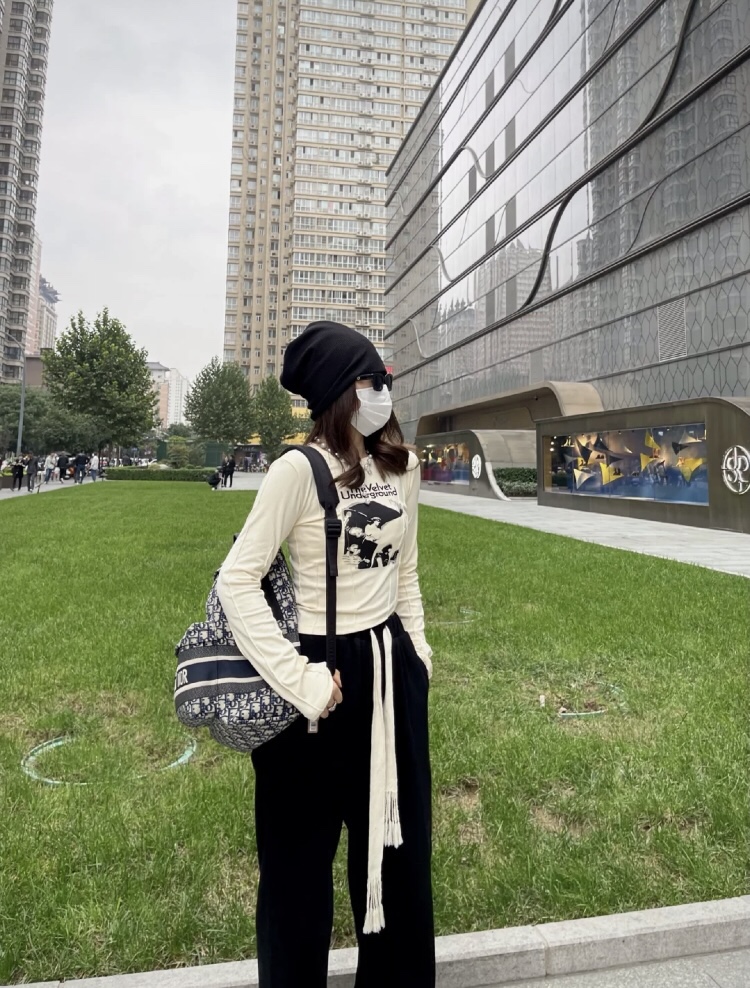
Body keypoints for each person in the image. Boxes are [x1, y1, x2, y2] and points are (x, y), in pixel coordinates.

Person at [217, 321, 434, 988]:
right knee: (296, 872)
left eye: (385, 379)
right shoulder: (297, 470)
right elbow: (237, 580)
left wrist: (419, 651)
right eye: (372, 380)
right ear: (341, 390)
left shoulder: (402, 467)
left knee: (398, 856)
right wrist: (300, 680)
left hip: (389, 670)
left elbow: (406, 569)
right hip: (312, 675)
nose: (384, 391)